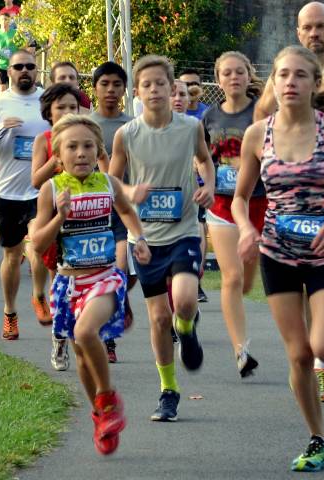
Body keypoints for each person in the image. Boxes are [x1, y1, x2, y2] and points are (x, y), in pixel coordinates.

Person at [232, 45, 324, 472]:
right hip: (277, 253)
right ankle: (318, 438)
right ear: (273, 82)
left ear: (314, 83)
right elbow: (238, 198)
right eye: (282, 75)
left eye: (300, 76)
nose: (290, 82)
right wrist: (248, 230)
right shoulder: (258, 134)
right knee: (300, 356)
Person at [254, 0, 324, 403]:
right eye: (307, 27)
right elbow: (261, 121)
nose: (314, 34)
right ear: (298, 33)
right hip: (291, 205)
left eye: (322, 27)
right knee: (301, 299)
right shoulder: (285, 75)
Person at [31, 114, 151, 455]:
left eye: (88, 146)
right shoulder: (51, 190)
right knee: (82, 356)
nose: (81, 153)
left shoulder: (109, 183)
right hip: (69, 285)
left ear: (99, 149)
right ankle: (100, 414)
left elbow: (127, 212)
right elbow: (38, 245)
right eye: (72, 147)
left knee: (86, 335)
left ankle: (109, 398)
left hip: (104, 279)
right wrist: (60, 216)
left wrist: (138, 239)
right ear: (58, 156)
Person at [110, 55, 215, 421]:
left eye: (161, 83)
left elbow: (204, 160)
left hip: (184, 229)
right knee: (157, 319)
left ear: (173, 89)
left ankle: (186, 327)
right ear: (136, 93)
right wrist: (130, 191)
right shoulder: (127, 135)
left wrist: (210, 186)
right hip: (146, 238)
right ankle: (168, 391)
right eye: (147, 84)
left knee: (184, 300)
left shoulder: (190, 128)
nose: (154, 89)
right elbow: (111, 182)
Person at [0, 49, 51, 339]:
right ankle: (10, 312)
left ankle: (40, 295)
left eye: (30, 66)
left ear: (36, 71)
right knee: (12, 256)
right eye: (19, 67)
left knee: (39, 246)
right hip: (7, 192)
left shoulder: (47, 101)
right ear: (9, 71)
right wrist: (0, 131)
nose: (25, 70)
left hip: (41, 190)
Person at [203, 51, 265, 377]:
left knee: (246, 281)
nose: (233, 78)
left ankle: (237, 312)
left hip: (260, 201)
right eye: (226, 73)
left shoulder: (262, 112)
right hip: (223, 205)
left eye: (239, 71)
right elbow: (202, 157)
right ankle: (241, 350)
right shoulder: (210, 117)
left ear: (248, 73)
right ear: (218, 79)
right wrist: (203, 183)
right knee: (233, 276)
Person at [31, 83, 80, 370]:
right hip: (53, 217)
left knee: (83, 280)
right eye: (61, 107)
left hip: (85, 217)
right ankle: (59, 337)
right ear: (49, 111)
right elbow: (36, 180)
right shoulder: (43, 139)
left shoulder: (88, 137)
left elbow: (105, 169)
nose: (67, 112)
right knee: (60, 282)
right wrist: (56, 160)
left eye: (73, 107)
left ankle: (83, 336)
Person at [90, 61, 134, 364]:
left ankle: (120, 300)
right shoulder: (84, 124)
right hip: (90, 210)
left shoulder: (133, 126)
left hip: (125, 208)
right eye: (105, 83)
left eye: (117, 84)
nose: (110, 90)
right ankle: (108, 337)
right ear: (94, 87)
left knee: (123, 272)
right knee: (99, 273)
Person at [170, 79, 209, 303]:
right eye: (173, 94)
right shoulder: (142, 128)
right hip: (159, 206)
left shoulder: (195, 126)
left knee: (199, 227)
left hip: (192, 195)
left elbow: (205, 159)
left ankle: (197, 275)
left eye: (183, 95)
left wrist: (209, 185)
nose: (177, 100)